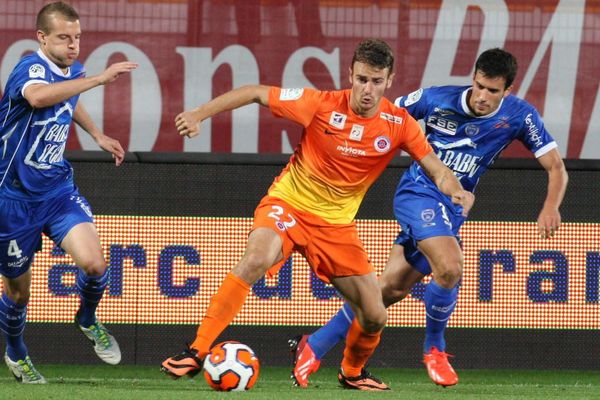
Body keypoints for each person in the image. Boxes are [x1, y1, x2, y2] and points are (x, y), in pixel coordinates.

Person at [160, 38, 474, 391]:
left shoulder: (399, 124)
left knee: (375, 314)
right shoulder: (321, 104)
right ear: (350, 75)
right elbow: (255, 92)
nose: (366, 90)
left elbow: (437, 169)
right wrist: (198, 114)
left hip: (336, 228)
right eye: (360, 79)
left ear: (389, 81)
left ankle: (352, 373)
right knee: (256, 258)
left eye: (375, 81)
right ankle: (197, 350)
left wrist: (455, 189)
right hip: (289, 206)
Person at [288, 47, 569, 388]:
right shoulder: (436, 99)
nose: (482, 96)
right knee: (450, 266)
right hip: (419, 193)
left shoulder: (519, 116)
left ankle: (314, 345)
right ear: (473, 78)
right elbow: (386, 113)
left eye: (492, 91)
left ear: (507, 90)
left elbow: (556, 166)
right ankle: (435, 348)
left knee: (388, 290)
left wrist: (551, 206)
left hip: (452, 209)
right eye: (479, 86)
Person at [0, 1, 138, 384]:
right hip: (12, 199)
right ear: (42, 37)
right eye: (64, 37)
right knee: (18, 294)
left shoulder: (71, 70)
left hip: (57, 190)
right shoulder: (29, 68)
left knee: (95, 265)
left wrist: (96, 134)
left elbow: (66, 99)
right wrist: (98, 80)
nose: (74, 45)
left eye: (77, 37)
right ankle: (16, 354)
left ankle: (87, 318)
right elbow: (40, 97)